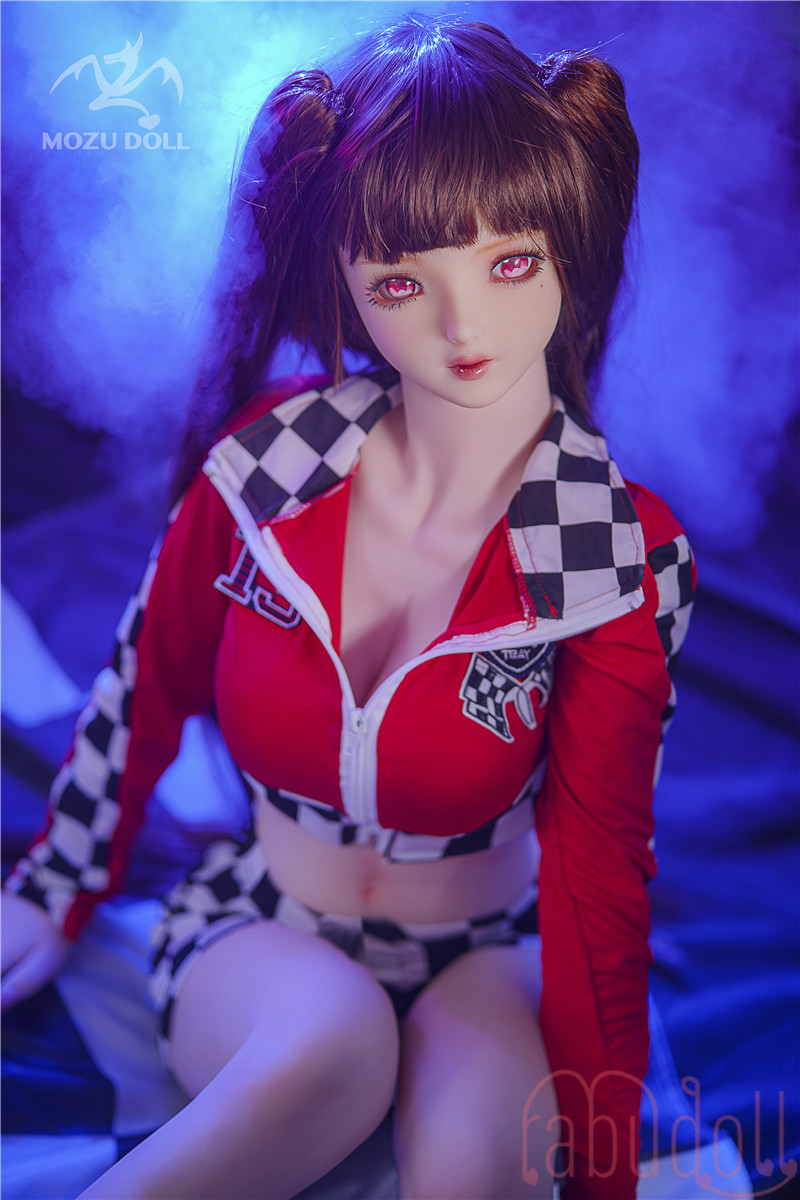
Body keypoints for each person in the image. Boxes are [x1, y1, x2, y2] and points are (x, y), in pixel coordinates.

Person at [1, 14, 695, 1200]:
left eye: (509, 263)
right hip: (262, 920)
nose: (462, 327)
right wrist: (55, 887)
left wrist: (605, 1172)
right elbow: (142, 684)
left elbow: (596, 873)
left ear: (567, 249)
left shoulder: (615, 555)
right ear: (344, 285)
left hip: (492, 951)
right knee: (329, 1044)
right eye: (401, 281)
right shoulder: (263, 468)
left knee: (464, 1170)